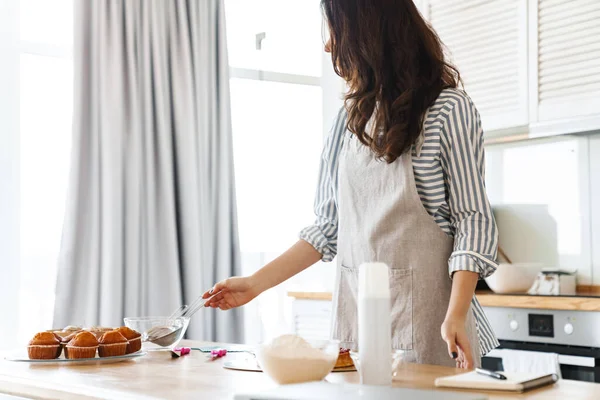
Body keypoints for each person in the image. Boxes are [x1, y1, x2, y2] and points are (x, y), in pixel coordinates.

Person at [203, 0, 499, 369]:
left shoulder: (447, 110)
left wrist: (457, 313)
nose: (327, 45)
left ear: (368, 33)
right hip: (354, 332)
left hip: (432, 329)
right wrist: (255, 283)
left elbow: (473, 220)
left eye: (333, 29)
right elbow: (329, 229)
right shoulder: (347, 122)